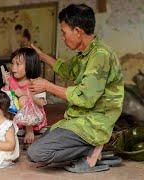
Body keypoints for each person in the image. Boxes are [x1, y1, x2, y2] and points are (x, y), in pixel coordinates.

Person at [27, 4, 124, 173]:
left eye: (64, 33)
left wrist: (47, 86)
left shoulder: (100, 55)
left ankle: (94, 148)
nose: (63, 38)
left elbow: (85, 98)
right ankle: (92, 148)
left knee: (36, 152)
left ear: (77, 31)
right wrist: (41, 55)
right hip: (79, 118)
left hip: (94, 122)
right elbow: (65, 69)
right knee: (44, 138)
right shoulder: (87, 52)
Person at [2, 48, 47, 144]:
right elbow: (5, 97)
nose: (13, 68)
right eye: (13, 63)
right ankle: (14, 127)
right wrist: (6, 84)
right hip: (16, 116)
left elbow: (41, 103)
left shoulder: (36, 82)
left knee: (23, 99)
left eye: (18, 64)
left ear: (30, 65)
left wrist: (26, 94)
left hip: (33, 118)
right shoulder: (10, 79)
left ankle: (29, 130)